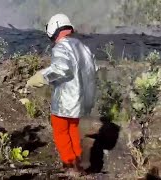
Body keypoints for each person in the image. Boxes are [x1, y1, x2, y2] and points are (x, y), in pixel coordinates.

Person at [26, 13, 98, 175]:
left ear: (53, 30)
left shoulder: (61, 46)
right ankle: (78, 160)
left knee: (60, 130)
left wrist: (41, 77)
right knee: (72, 128)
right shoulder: (82, 47)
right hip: (81, 100)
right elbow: (94, 69)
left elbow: (61, 69)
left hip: (67, 99)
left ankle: (70, 164)